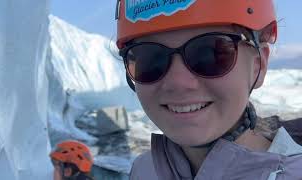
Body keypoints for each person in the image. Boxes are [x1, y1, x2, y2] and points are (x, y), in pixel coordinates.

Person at [115, 0, 302, 179]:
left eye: (209, 54)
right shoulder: (143, 170)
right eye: (150, 59)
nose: (178, 83)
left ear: (258, 66)